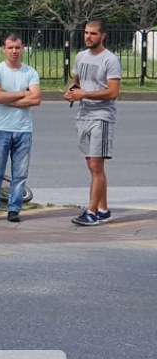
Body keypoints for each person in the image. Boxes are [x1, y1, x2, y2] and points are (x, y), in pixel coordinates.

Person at [64, 19, 122, 226]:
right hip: (83, 115)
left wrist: (84, 94)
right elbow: (77, 80)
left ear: (103, 36)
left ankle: (91, 212)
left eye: (93, 34)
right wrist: (71, 91)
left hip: (102, 116)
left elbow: (113, 92)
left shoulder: (110, 60)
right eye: (86, 33)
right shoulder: (80, 56)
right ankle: (103, 209)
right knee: (92, 166)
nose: (88, 37)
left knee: (97, 165)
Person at [0, 33, 42, 222]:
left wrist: (9, 98)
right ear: (3, 49)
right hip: (1, 128)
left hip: (24, 130)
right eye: (10, 47)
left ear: (22, 48)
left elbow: (36, 98)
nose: (14, 51)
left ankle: (14, 209)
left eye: (17, 47)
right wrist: (23, 94)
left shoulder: (30, 72)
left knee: (20, 173)